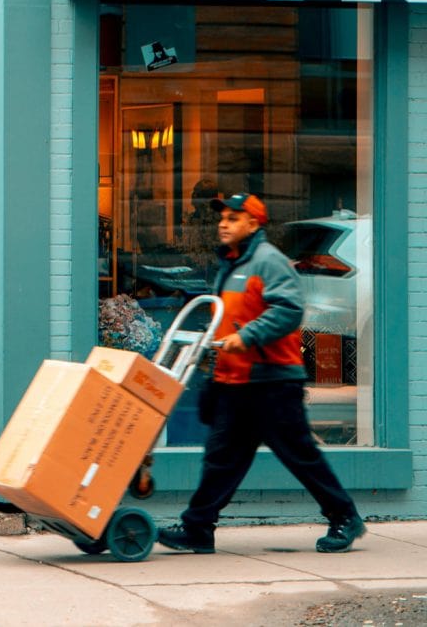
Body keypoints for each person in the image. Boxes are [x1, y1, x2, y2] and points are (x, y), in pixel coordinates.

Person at [157, 192, 366, 554]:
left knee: (299, 454)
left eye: (233, 218)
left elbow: (288, 309)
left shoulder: (268, 261)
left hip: (272, 380)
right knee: (222, 458)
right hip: (236, 380)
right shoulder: (233, 264)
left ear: (253, 224)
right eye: (222, 217)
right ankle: (198, 528)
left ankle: (345, 516)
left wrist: (247, 336)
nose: (223, 223)